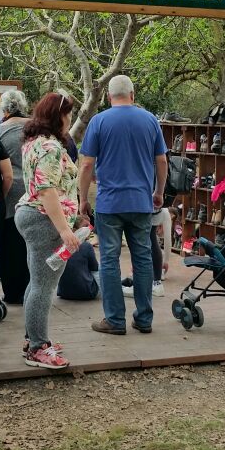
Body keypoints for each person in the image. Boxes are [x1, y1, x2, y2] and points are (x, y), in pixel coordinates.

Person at [78, 75, 168, 335]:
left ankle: (115, 320)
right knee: (142, 258)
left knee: (109, 259)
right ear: (133, 94)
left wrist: (83, 199)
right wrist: (158, 192)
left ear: (108, 97)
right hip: (141, 202)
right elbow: (161, 161)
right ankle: (144, 318)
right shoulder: (150, 120)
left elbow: (87, 164)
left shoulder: (99, 121)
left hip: (109, 204)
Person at [15, 92, 83, 369]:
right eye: (68, 114)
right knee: (45, 285)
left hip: (32, 215)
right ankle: (38, 347)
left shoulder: (34, 142)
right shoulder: (51, 147)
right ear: (58, 116)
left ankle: (33, 338)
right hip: (44, 219)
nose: (70, 119)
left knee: (37, 282)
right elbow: (46, 190)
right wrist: (65, 229)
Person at [0, 90, 32, 304]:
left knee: (9, 245)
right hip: (34, 190)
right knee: (31, 243)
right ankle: (31, 289)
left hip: (9, 192)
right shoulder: (35, 128)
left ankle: (12, 292)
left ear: (5, 109)